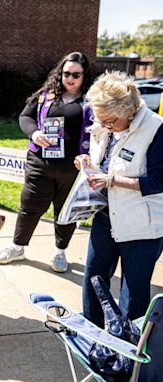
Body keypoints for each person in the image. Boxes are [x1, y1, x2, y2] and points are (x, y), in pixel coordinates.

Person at [75, 71, 163, 327]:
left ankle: (129, 347)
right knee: (94, 277)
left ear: (129, 112)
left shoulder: (156, 129)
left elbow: (159, 181)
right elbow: (104, 159)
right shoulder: (106, 123)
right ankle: (90, 332)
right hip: (106, 216)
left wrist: (111, 180)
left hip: (142, 225)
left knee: (133, 290)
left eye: (110, 121)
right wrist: (87, 162)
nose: (104, 126)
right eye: (99, 120)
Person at [0, 52, 94, 273]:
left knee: (66, 211)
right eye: (66, 73)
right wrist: (34, 133)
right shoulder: (46, 96)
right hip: (40, 162)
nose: (70, 78)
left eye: (75, 75)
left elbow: (102, 133)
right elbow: (25, 117)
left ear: (84, 76)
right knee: (29, 205)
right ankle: (17, 247)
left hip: (73, 168)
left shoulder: (92, 101)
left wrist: (89, 157)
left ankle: (60, 251)